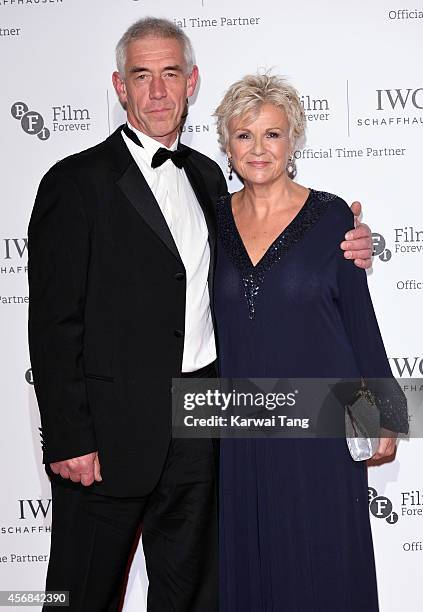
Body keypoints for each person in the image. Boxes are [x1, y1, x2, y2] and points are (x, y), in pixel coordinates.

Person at [27, 17, 372, 612]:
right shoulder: (74, 181)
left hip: (206, 430)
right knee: (77, 594)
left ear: (192, 82)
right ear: (119, 86)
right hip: (107, 440)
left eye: (170, 74)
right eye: (142, 75)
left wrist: (352, 242)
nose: (158, 91)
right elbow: (53, 322)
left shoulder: (210, 179)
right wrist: (69, 436)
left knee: (190, 598)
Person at [213, 74, 408, 611]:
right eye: (245, 135)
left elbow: (360, 322)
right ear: (227, 144)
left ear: (293, 141)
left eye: (272, 134)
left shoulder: (332, 219)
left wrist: (386, 414)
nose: (259, 149)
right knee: (248, 567)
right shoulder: (211, 221)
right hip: (240, 429)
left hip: (321, 427)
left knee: (323, 566)